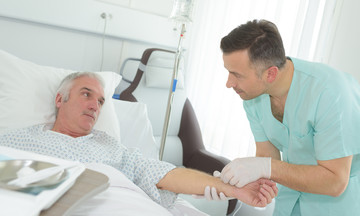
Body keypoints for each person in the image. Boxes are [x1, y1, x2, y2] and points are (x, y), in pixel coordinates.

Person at [0, 72, 277, 212]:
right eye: (86, 94)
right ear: (60, 99)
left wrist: (234, 190)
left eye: (99, 101)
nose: (95, 106)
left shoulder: (109, 145)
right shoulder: (22, 140)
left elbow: (163, 174)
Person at [218, 19, 360, 215]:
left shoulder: (330, 94)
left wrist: (265, 167)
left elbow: (335, 181)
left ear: (270, 74)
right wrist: (230, 187)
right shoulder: (253, 96)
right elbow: (267, 158)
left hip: (337, 206)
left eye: (237, 75)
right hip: (289, 204)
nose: (229, 83)